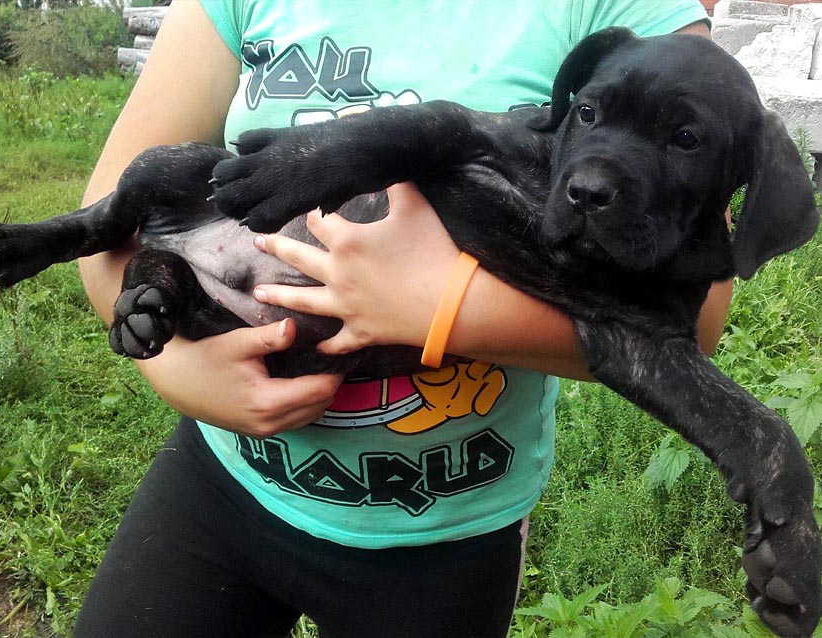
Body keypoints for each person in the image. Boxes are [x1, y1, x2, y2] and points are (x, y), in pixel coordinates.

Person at [74, 1, 729, 636]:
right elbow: (110, 217)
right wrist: (176, 369)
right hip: (227, 480)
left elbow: (692, 324)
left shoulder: (622, 10)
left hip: (447, 530)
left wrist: (442, 309)